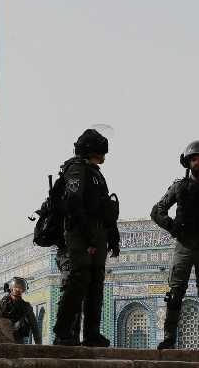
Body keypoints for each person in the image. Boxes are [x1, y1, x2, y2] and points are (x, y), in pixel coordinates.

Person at [151, 140, 199, 350]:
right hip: (184, 245)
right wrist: (173, 227)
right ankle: (169, 339)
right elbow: (157, 211)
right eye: (194, 159)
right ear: (188, 162)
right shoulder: (179, 186)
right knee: (175, 293)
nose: (198, 163)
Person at [52, 128, 120, 346]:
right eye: (101, 150)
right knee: (78, 280)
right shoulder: (76, 169)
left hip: (98, 234)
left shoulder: (95, 172)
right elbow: (74, 203)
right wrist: (89, 238)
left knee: (95, 284)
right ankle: (63, 330)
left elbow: (104, 207)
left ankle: (91, 333)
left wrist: (112, 236)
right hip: (80, 233)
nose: (104, 156)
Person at [0, 277, 42, 344]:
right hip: (4, 338)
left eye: (21, 288)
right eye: (17, 288)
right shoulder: (3, 304)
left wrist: (39, 344)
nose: (19, 290)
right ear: (12, 288)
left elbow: (34, 326)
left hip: (18, 338)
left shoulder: (26, 306)